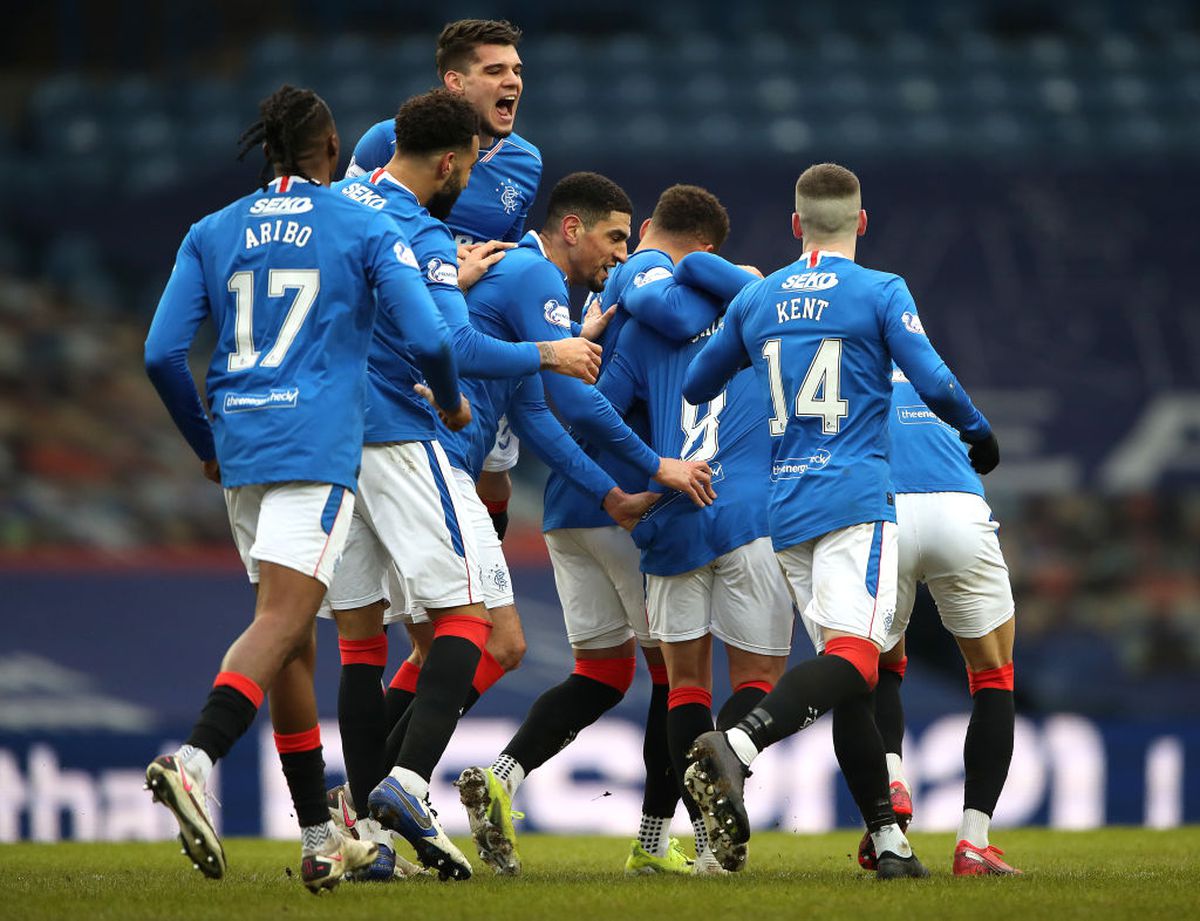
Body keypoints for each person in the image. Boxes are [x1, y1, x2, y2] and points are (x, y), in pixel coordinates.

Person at [141, 85, 463, 893]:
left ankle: (321, 836)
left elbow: (160, 352)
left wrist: (203, 441)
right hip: (315, 448)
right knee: (285, 622)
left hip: (243, 447)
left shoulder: (210, 230)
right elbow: (428, 334)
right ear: (329, 147)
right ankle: (196, 756)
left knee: (288, 638)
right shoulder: (363, 223)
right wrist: (453, 399)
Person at [680, 162, 999, 879]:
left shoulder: (759, 298)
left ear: (795, 226)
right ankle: (739, 745)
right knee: (857, 657)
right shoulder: (881, 290)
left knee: (846, 674)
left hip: (786, 508)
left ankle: (888, 841)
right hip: (855, 500)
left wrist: (751, 335)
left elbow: (700, 381)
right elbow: (933, 377)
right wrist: (978, 431)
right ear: (862, 221)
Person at [320, 88, 600, 880]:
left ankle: (363, 827)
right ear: (450, 160)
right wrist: (542, 355)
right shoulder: (429, 235)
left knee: (366, 643)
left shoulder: (342, 202)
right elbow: (450, 346)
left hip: (326, 441)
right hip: (408, 438)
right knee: (472, 624)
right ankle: (403, 785)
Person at [455, 184, 740, 877]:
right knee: (678, 678)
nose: (617, 256)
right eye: (610, 242)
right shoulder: (658, 312)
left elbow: (562, 402)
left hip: (567, 509)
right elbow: (593, 403)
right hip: (628, 506)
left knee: (602, 673)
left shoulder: (588, 308)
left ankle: (502, 774)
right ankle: (653, 844)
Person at [345, 18, 541, 527]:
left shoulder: (526, 162)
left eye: (516, 70)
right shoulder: (386, 141)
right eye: (494, 70)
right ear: (455, 82)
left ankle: (483, 554)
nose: (513, 82)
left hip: (468, 327)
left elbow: (503, 250)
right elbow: (344, 230)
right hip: (390, 336)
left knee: (494, 463)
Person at [851, 366, 1020, 876]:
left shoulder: (854, 377)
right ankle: (974, 843)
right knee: (994, 675)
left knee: (877, 664)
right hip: (957, 510)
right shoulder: (934, 379)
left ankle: (891, 777)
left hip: (886, 513)